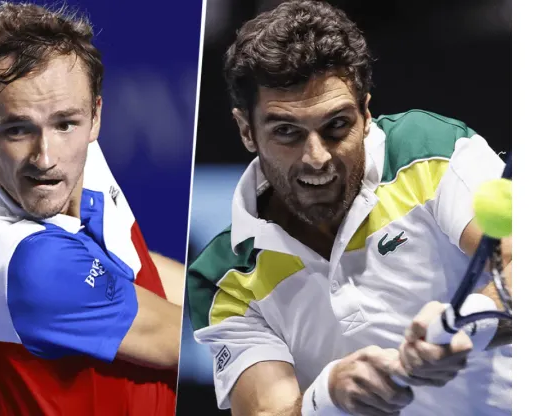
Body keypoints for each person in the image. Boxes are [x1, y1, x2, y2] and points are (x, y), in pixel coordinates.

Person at [186, 1, 512, 415]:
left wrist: (469, 323)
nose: (316, 157)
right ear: (246, 131)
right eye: (286, 131)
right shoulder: (224, 278)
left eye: (337, 124)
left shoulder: (428, 151)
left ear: (366, 113)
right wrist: (329, 396)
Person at [0, 3, 183, 415]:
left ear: (95, 117)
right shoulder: (24, 261)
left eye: (65, 124)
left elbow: (146, 273)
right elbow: (183, 341)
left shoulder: (72, 143)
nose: (46, 156)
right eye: (18, 129)